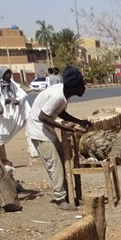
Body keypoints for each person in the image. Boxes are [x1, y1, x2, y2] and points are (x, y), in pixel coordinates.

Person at [27, 66, 92, 210]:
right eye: (82, 85)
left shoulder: (64, 95)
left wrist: (78, 122)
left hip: (46, 130)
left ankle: (69, 196)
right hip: (39, 132)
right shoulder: (57, 95)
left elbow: (60, 112)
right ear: (74, 86)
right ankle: (60, 198)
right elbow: (42, 116)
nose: (84, 88)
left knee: (63, 161)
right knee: (54, 165)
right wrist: (65, 128)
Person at [0, 66, 31, 146]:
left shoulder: (12, 83)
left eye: (9, 73)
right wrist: (4, 102)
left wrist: (17, 100)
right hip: (2, 110)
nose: (8, 75)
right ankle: (0, 145)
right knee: (2, 132)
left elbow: (23, 94)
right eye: (6, 73)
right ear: (1, 74)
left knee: (25, 103)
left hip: (11, 109)